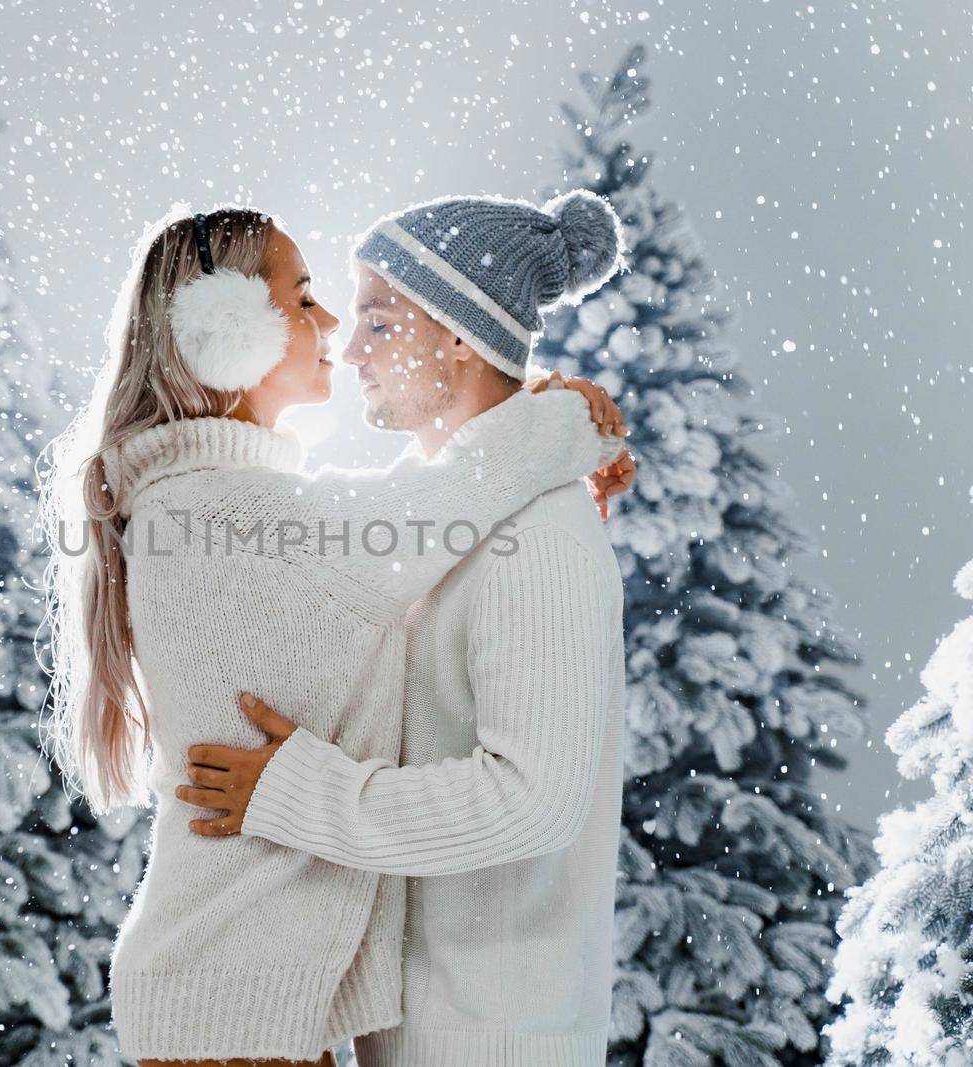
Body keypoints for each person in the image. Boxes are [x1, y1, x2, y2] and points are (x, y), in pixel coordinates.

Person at [39, 197, 630, 1067]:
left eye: (374, 315)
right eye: (307, 297)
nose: (341, 335)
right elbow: (406, 514)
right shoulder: (214, 510)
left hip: (282, 1016)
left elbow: (395, 517)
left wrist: (540, 422)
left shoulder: (240, 507)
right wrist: (557, 421)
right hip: (239, 1016)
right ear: (222, 329)